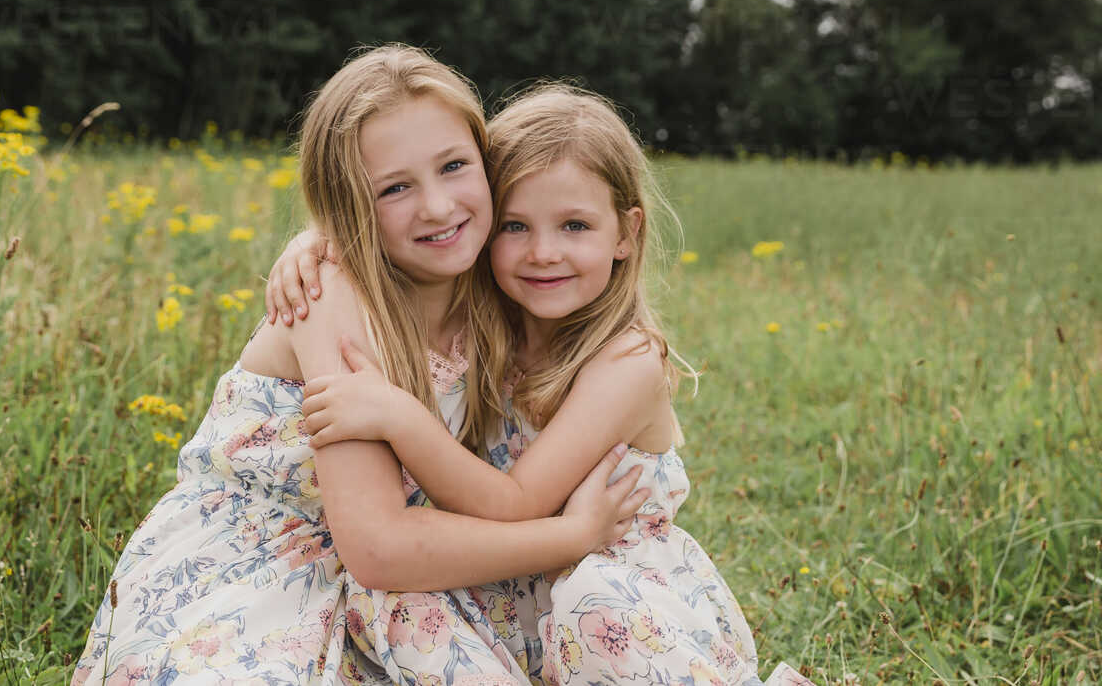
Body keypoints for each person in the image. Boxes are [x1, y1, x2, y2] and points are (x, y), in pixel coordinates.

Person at [72, 50, 649, 686]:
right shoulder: (331, 295)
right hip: (260, 565)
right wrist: (571, 536)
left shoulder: (493, 275)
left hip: (397, 579)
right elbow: (378, 547)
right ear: (349, 206)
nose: (436, 207)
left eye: (455, 167)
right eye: (394, 188)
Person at [271, 84, 817, 685]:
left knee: (590, 602)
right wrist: (318, 242)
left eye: (575, 225)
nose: (543, 253)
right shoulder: (490, 321)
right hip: (520, 583)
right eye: (515, 226)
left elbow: (516, 504)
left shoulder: (626, 362)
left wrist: (399, 416)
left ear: (625, 233)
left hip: (613, 589)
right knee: (398, 607)